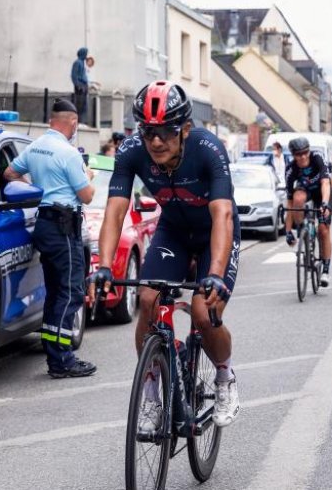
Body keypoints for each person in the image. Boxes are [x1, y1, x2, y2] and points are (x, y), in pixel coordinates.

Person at [89, 80, 242, 431]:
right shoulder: (131, 151)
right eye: (147, 132)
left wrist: (215, 273)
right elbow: (115, 211)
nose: (155, 141)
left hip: (212, 236)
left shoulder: (207, 149)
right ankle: (152, 394)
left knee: (205, 314)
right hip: (173, 230)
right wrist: (104, 267)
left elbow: (222, 215)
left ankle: (224, 376)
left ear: (185, 129)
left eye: (165, 132)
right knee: (147, 300)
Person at [4, 99, 98, 378]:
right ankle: (62, 360)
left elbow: (10, 173)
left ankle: (54, 353)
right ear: (72, 122)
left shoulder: (35, 146)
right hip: (63, 229)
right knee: (70, 292)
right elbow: (87, 195)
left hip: (44, 224)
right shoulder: (69, 154)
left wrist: (36, 190)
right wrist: (88, 174)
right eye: (75, 125)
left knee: (55, 291)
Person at [283, 137, 332, 286]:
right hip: (305, 191)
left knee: (323, 230)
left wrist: (325, 204)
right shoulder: (291, 169)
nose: (303, 156)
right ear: (293, 155)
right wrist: (287, 231)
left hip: (322, 193)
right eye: (299, 154)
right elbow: (290, 202)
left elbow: (325, 182)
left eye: (305, 152)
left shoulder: (317, 158)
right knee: (297, 199)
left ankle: (325, 269)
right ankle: (302, 229)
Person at [71, 47, 91, 122]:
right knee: (79, 105)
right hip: (80, 87)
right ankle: (78, 121)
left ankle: (82, 121)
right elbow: (74, 76)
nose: (86, 56)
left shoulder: (82, 63)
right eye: (85, 54)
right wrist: (78, 86)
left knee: (84, 106)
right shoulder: (77, 62)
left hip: (84, 86)